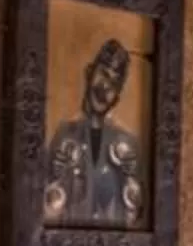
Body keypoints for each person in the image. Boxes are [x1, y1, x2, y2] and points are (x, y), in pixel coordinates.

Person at [41, 39, 146, 229]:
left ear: (117, 98)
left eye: (114, 84)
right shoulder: (64, 135)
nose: (105, 87)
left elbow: (137, 219)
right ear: (89, 72)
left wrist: (131, 180)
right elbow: (43, 213)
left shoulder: (128, 146)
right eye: (103, 74)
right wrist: (54, 178)